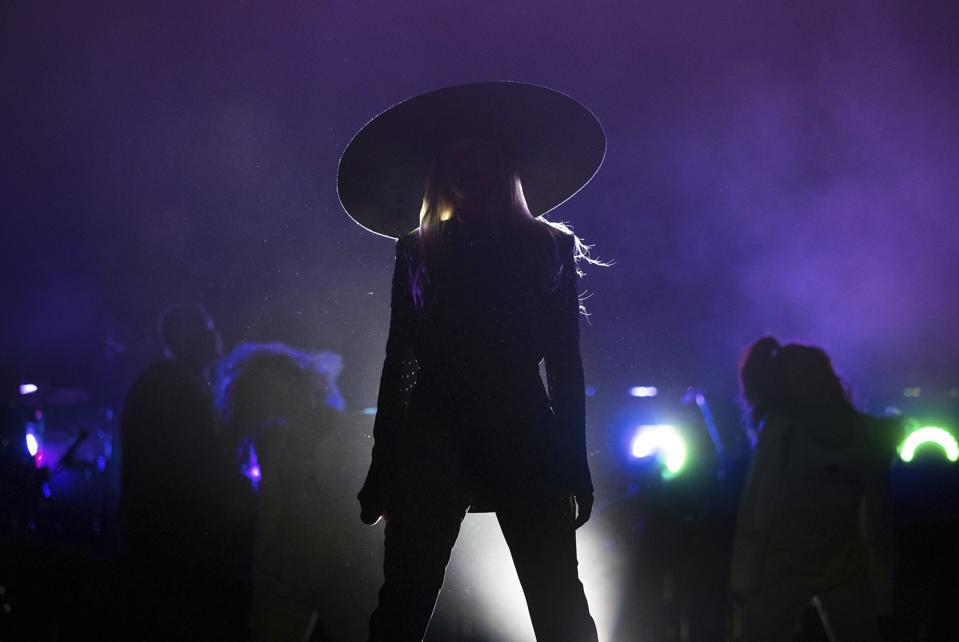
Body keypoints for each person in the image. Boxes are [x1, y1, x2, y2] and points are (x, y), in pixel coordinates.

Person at [355, 136, 601, 640]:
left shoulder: (545, 246)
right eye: (455, 155)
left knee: (555, 601)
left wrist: (575, 463)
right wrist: (383, 467)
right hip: (473, 432)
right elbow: (399, 360)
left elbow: (564, 363)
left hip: (492, 431)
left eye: (477, 154)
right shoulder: (422, 248)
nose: (465, 168)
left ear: (501, 160)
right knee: (410, 599)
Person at [730, 337, 895, 642]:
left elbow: (755, 512)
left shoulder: (786, 430)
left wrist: (743, 582)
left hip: (813, 569)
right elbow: (756, 511)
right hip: (805, 569)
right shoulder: (786, 431)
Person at [119, 304, 255, 640]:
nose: (215, 335)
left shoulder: (167, 382)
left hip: (165, 538)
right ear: (182, 337)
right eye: (206, 328)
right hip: (183, 542)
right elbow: (204, 465)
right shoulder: (176, 387)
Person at [216, 343, 368, 642]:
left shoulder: (347, 428)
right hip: (294, 567)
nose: (274, 397)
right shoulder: (269, 439)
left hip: (336, 566)